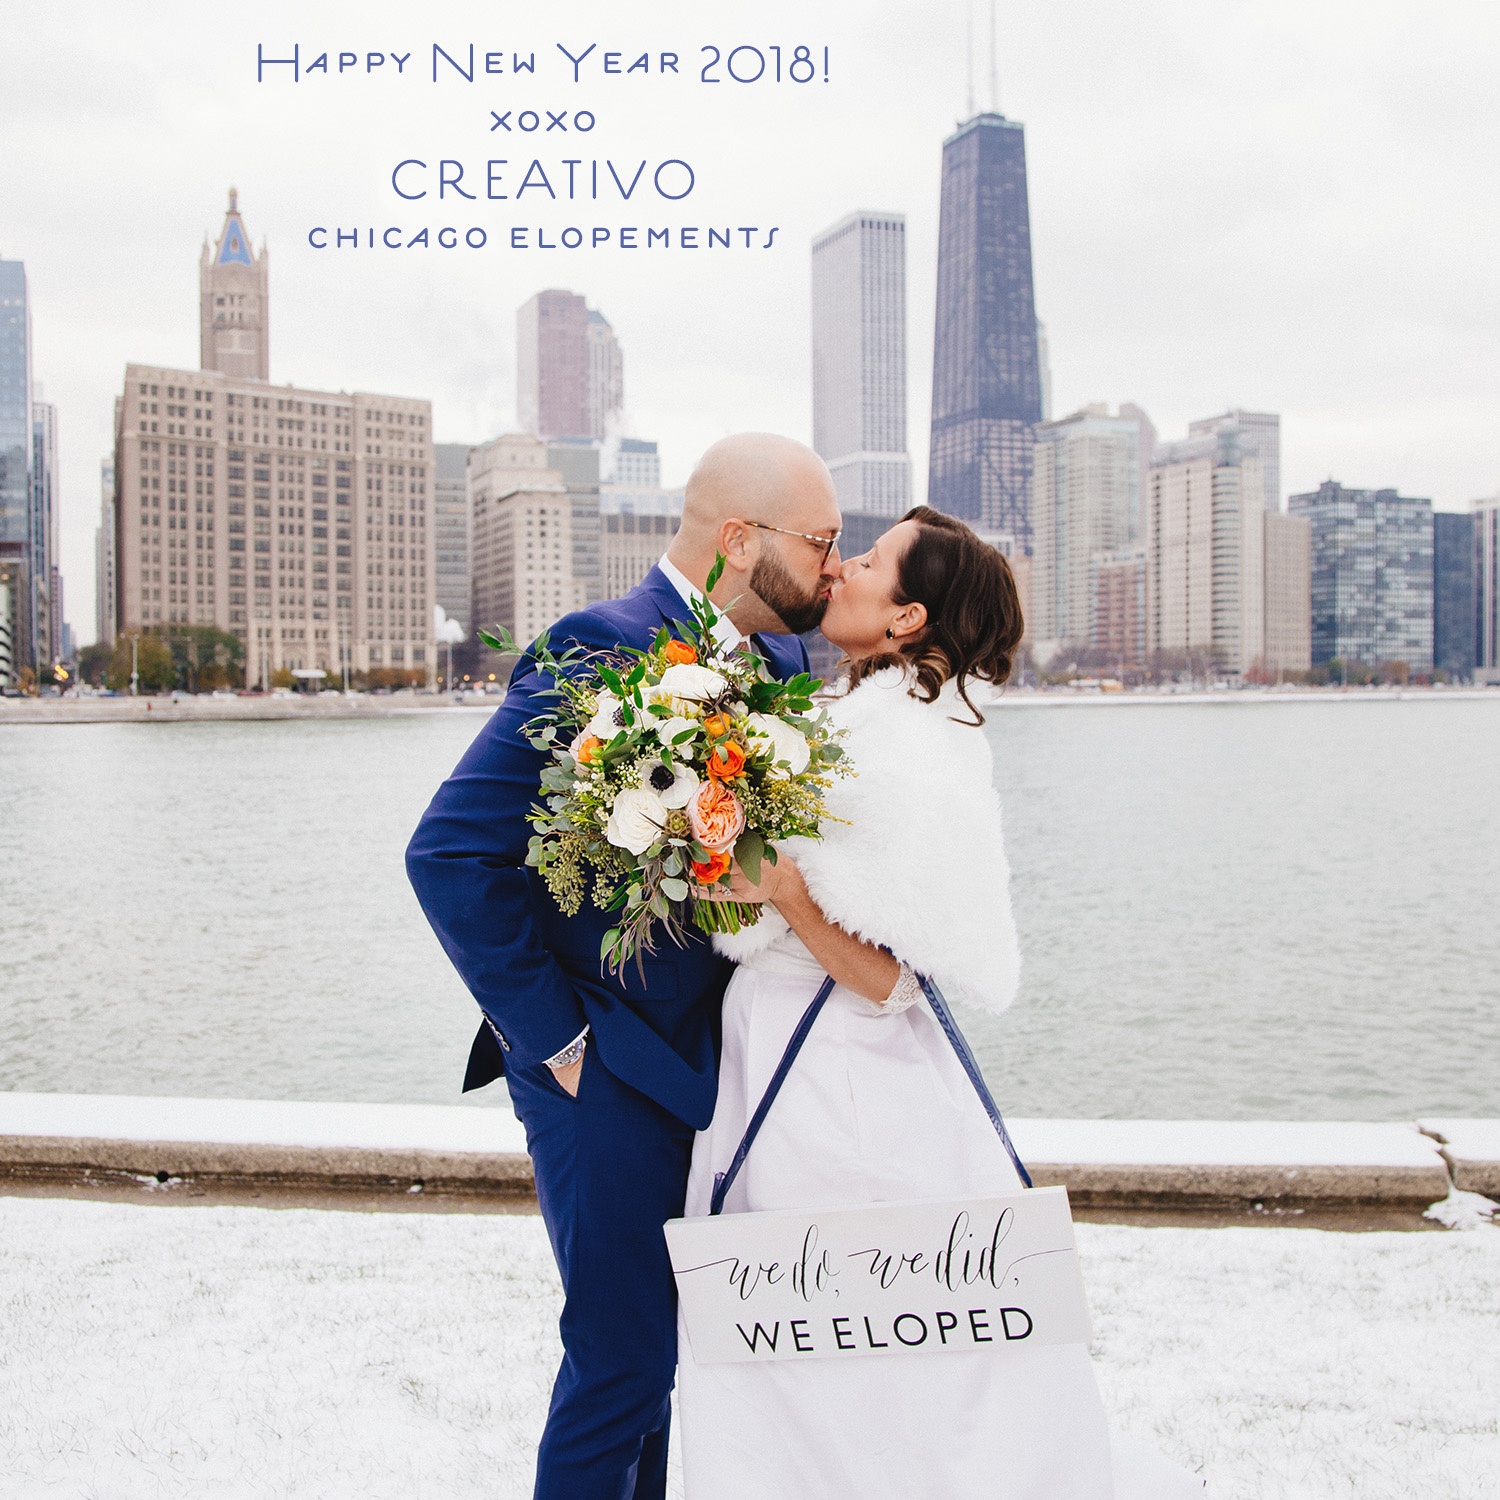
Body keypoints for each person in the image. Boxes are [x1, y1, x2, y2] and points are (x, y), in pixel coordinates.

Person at [678, 506, 1202, 1498]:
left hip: (844, 1095)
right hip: (786, 1064)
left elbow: (895, 980)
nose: (840, 572)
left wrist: (787, 892)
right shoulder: (857, 721)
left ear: (908, 616)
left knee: (852, 1353)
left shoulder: (913, 752)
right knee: (791, 1350)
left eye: (868, 563)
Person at [404, 433, 842, 1500]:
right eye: (823, 542)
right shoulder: (595, 651)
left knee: (664, 1371)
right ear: (740, 541)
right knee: (620, 1366)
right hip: (601, 1074)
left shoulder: (785, 661)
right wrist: (556, 1040)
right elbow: (450, 853)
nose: (834, 566)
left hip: (722, 1073)